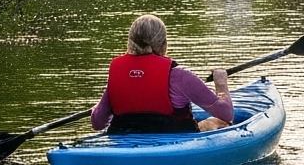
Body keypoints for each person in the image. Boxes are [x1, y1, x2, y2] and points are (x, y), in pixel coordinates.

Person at [92, 14, 236, 133]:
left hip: (125, 141)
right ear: (164, 44)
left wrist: (99, 108)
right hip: (175, 141)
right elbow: (226, 113)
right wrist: (221, 83)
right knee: (218, 121)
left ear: (130, 42)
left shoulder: (118, 74)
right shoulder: (179, 76)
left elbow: (97, 122)